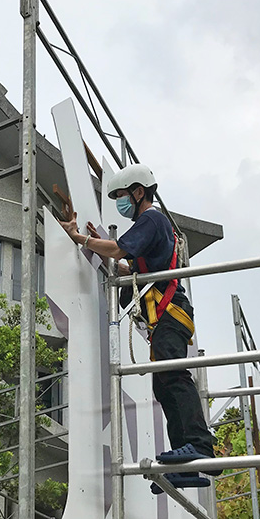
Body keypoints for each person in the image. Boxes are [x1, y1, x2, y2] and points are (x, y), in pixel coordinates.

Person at [58, 164, 220, 492]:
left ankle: (200, 445)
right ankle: (187, 462)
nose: (120, 202)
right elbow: (123, 262)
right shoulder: (151, 230)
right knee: (164, 385)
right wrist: (95, 245)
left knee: (173, 376)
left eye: (121, 196)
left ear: (138, 191)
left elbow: (118, 251)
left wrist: (81, 238)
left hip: (170, 312)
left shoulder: (151, 218)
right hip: (165, 317)